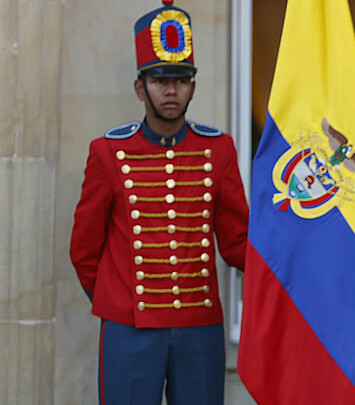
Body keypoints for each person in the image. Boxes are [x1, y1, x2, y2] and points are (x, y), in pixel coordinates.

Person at [69, 1, 249, 404]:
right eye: (160, 80)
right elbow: (83, 250)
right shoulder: (107, 152)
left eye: (181, 80)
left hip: (200, 327)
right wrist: (118, 301)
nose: (171, 90)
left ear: (193, 86)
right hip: (129, 329)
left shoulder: (218, 150)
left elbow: (238, 243)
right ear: (140, 87)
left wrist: (292, 264)